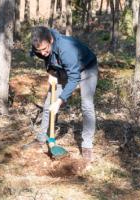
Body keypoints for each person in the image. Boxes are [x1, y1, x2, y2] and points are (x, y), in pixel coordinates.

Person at [30, 26, 98, 162]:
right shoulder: (38, 46)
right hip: (62, 69)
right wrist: (51, 72)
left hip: (86, 68)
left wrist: (60, 100)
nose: (43, 53)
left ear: (51, 40)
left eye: (45, 49)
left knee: (87, 105)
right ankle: (42, 138)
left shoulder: (66, 48)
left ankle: (87, 145)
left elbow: (74, 77)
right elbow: (44, 58)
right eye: (39, 50)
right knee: (48, 105)